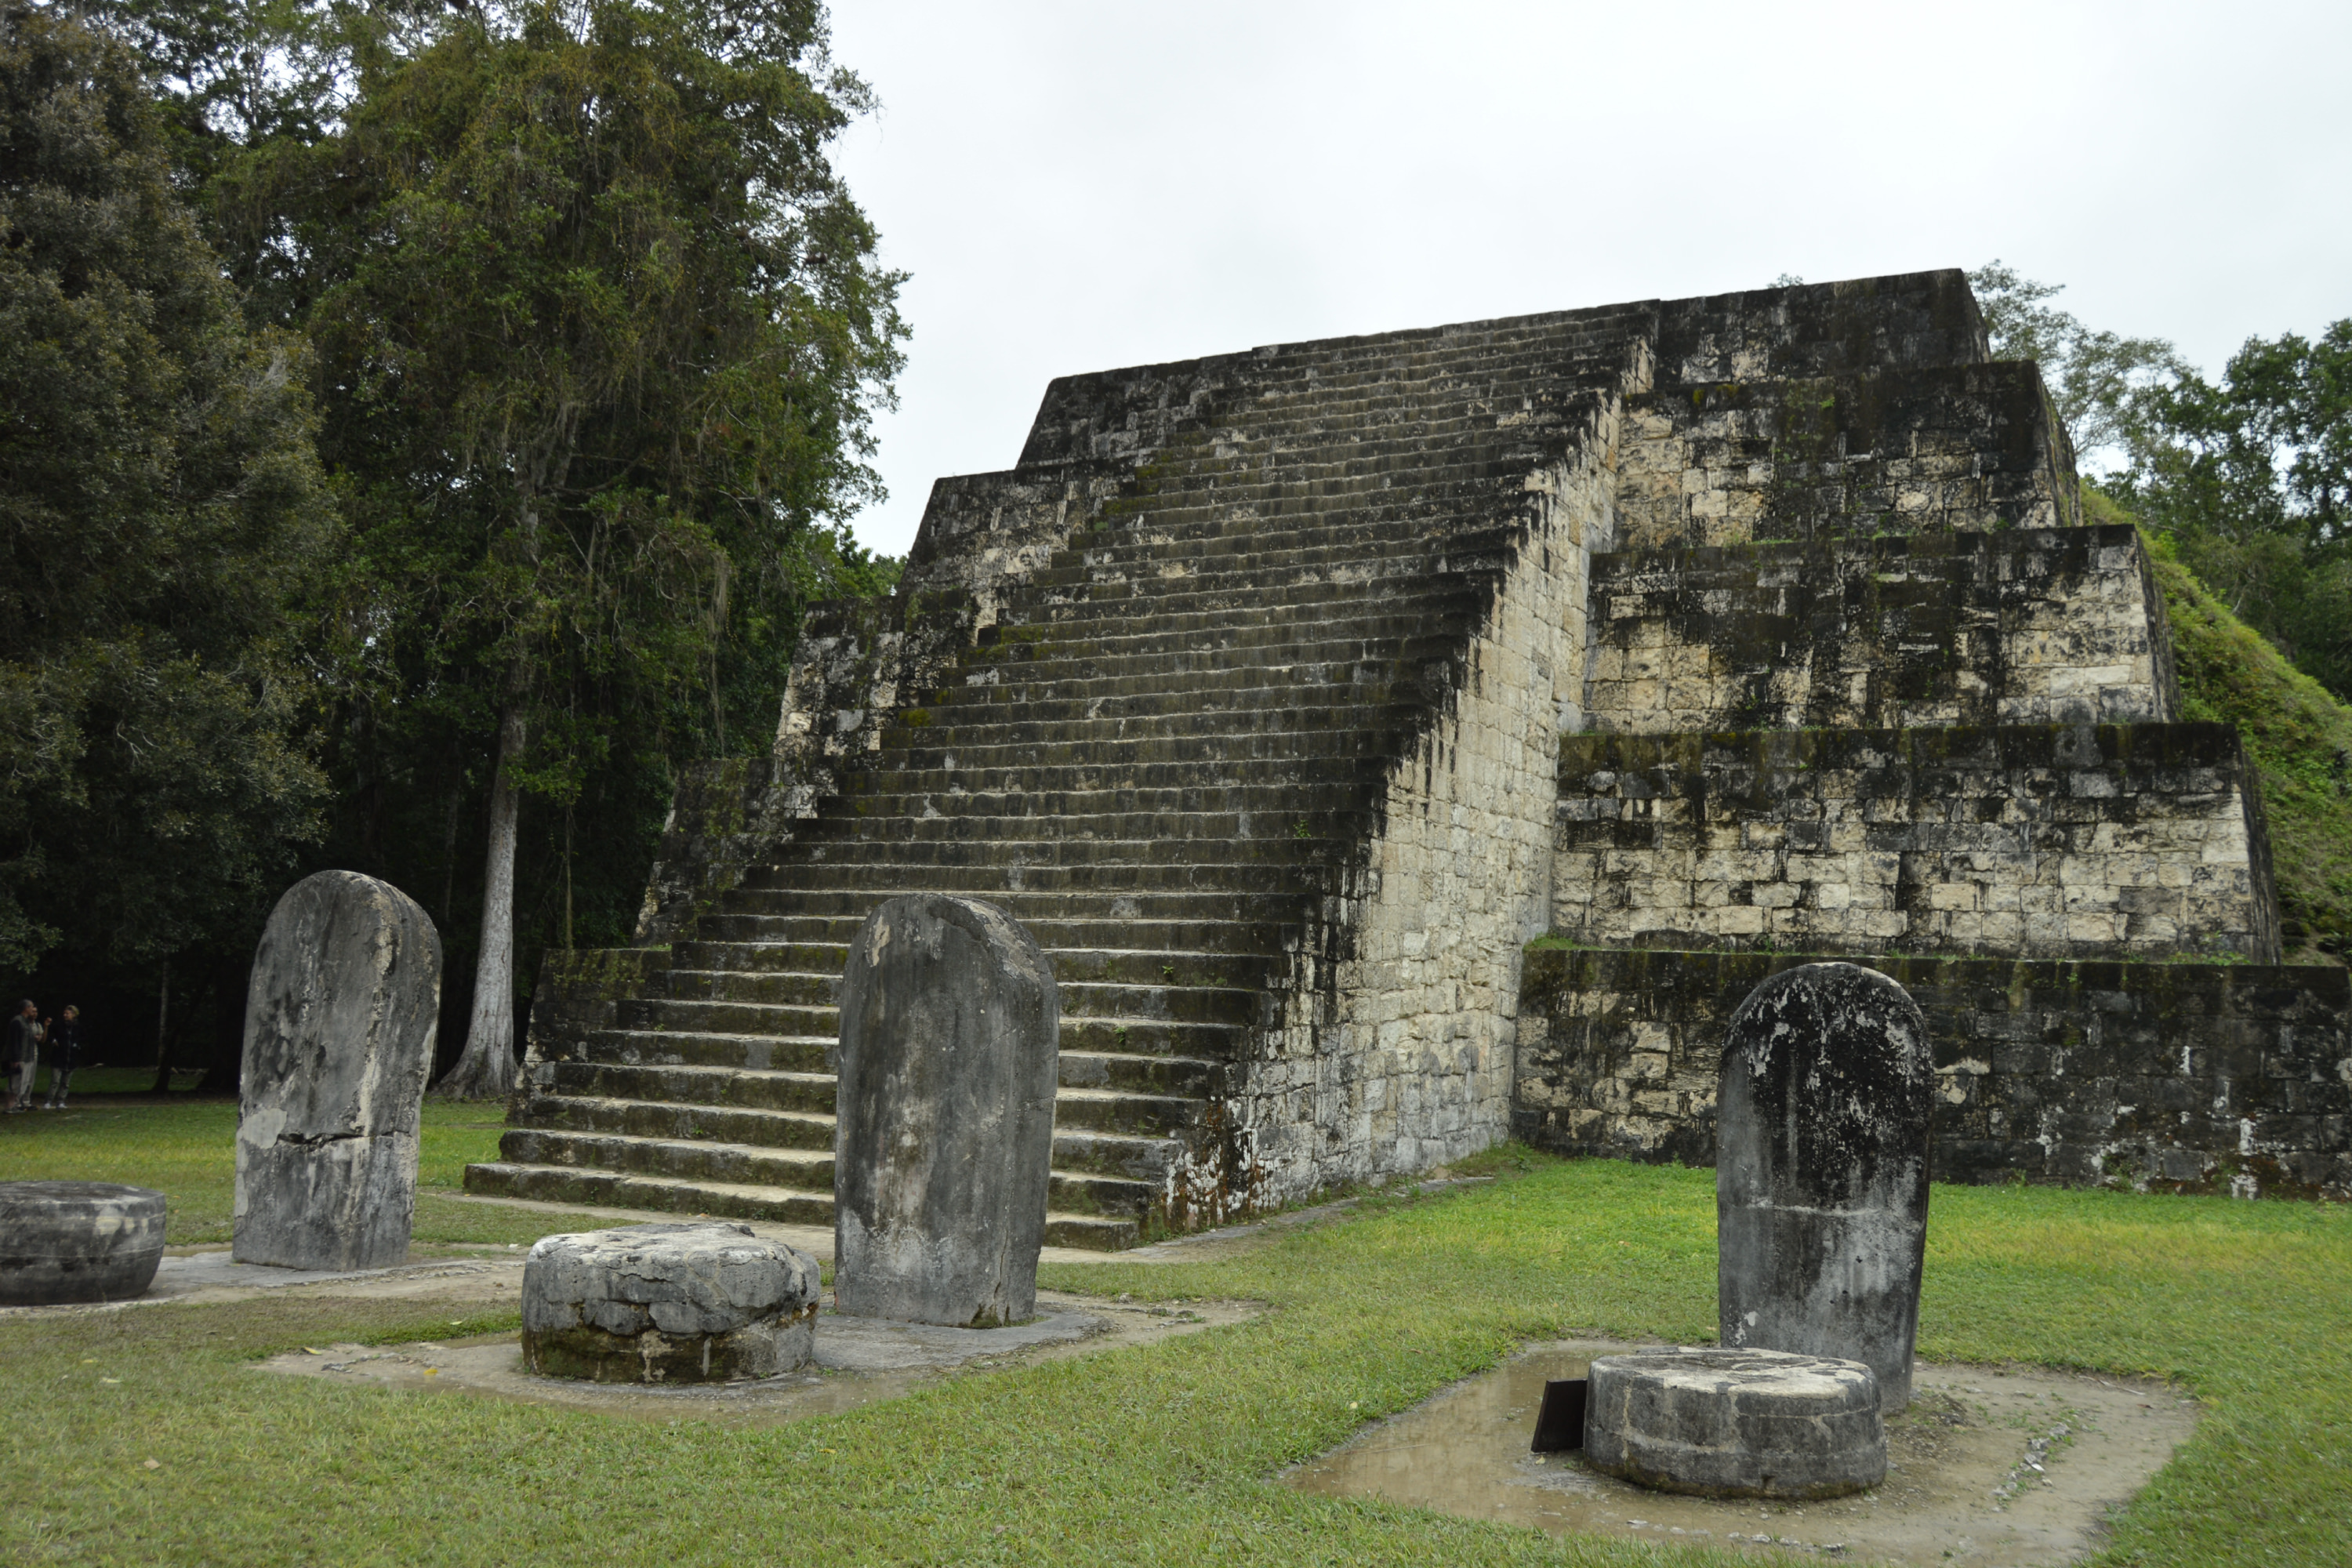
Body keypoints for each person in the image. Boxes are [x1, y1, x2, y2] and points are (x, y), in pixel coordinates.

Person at [42, 1005, 83, 1110]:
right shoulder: (58, 1026)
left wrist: (77, 1046)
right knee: (55, 1081)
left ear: (74, 1015)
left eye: (68, 1014)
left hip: (71, 1059)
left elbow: (81, 1038)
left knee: (66, 1082)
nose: (65, 1015)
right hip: (58, 1058)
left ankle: (61, 1101)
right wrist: (54, 1041)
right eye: (64, 1013)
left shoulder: (78, 1027)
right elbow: (50, 1035)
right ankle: (48, 1101)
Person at [3, 1000, 41, 1112]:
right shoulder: (17, 1021)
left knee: (21, 1083)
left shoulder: (25, 1022)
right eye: (32, 1007)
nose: (33, 1010)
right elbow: (14, 1042)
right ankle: (9, 1106)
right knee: (14, 1083)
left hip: (27, 1057)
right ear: (27, 1008)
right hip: (19, 1057)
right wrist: (15, 1059)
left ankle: (13, 1105)